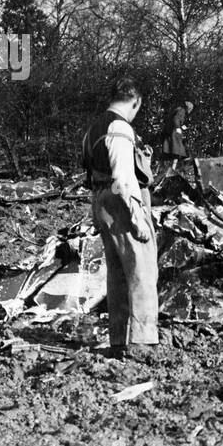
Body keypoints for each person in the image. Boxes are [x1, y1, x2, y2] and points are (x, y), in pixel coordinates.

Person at [81, 77, 161, 362]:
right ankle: (141, 343)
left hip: (100, 199)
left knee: (117, 275)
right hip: (121, 201)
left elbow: (89, 173)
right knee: (141, 270)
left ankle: (119, 340)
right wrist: (137, 217)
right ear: (135, 101)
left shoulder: (93, 129)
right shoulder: (120, 127)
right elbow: (124, 177)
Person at [159, 101, 193, 171]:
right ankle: (172, 169)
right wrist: (178, 127)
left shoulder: (178, 109)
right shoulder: (182, 110)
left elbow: (176, 121)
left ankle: (167, 168)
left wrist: (183, 127)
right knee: (176, 152)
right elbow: (176, 119)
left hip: (171, 132)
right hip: (174, 134)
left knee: (172, 152)